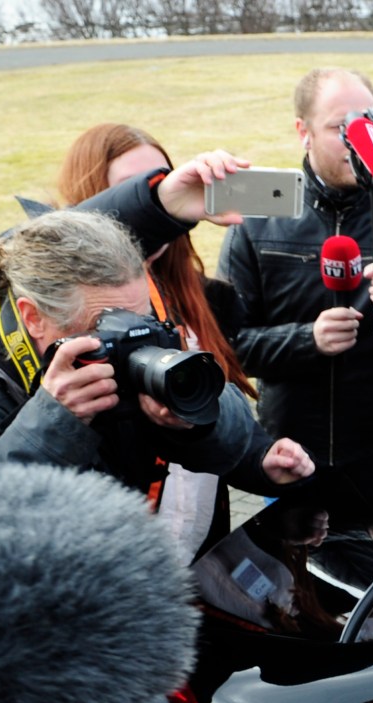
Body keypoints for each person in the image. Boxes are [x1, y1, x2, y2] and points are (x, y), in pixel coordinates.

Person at [0, 200, 312, 499]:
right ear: (33, 317)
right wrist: (54, 419)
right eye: (104, 326)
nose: (128, 339)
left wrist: (205, 427)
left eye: (140, 318)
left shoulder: (128, 337)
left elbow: (224, 427)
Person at [219, 67, 373, 468]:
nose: (357, 141)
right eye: (340, 127)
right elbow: (226, 347)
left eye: (367, 125)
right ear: (303, 131)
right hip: (290, 456)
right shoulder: (257, 224)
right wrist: (307, 339)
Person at [54, 123, 272, 556]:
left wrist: (263, 460)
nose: (160, 203)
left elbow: (221, 421)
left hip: (202, 556)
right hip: (108, 563)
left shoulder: (208, 298)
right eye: (140, 192)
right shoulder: (55, 316)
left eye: (163, 183)